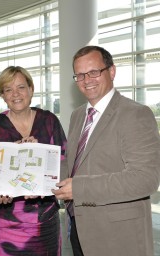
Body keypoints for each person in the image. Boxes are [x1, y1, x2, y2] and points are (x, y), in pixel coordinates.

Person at [52, 45, 160, 256]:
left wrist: (80, 189)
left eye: (94, 72)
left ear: (111, 71)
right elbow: (74, 165)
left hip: (117, 237)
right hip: (80, 229)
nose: (87, 80)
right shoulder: (78, 115)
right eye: (80, 75)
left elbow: (146, 179)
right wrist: (34, 177)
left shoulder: (136, 114)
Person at [0, 66, 67, 256]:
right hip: (9, 224)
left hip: (45, 221)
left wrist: (39, 155)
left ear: (31, 89)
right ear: (2, 96)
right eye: (8, 89)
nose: (15, 94)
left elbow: (63, 164)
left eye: (21, 87)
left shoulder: (49, 121)